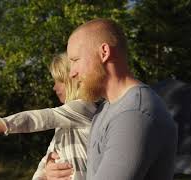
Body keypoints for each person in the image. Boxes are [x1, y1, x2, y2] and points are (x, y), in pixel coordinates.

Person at [46, 19, 178, 180]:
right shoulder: (106, 108)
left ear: (104, 53)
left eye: (75, 60)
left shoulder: (133, 114)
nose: (72, 73)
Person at [0, 53, 97, 180]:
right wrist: (44, 172)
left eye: (59, 81)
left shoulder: (83, 107)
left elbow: (34, 119)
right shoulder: (65, 123)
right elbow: (47, 159)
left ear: (72, 80)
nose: (54, 87)